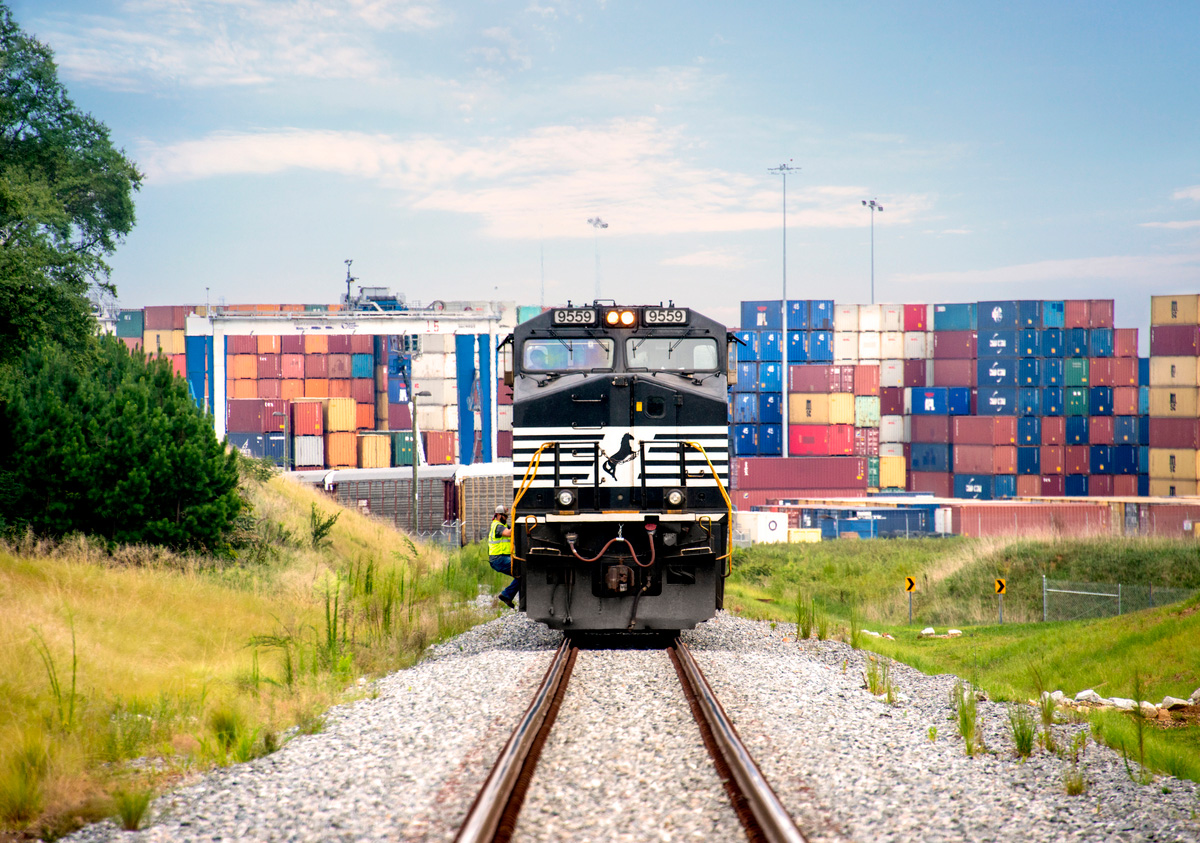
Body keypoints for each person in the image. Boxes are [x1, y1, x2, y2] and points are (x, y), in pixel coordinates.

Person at [489, 504, 521, 609]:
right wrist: (516, 523)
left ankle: (507, 596)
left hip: (502, 558)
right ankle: (506, 595)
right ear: (498, 515)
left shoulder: (502, 525)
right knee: (522, 572)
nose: (506, 518)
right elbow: (508, 533)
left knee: (521, 574)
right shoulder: (497, 526)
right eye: (504, 516)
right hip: (498, 559)